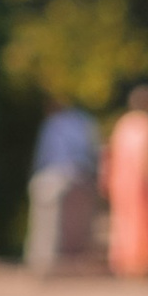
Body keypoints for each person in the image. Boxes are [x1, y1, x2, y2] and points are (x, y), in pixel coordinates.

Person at [24, 100, 101, 270]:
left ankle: (44, 262)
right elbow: (93, 153)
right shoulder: (85, 122)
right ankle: (69, 263)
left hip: (52, 176)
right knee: (76, 226)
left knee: (46, 222)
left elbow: (43, 154)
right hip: (81, 177)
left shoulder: (53, 124)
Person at [103, 83, 148, 279]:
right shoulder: (147, 125)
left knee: (123, 223)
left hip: (121, 183)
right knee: (144, 224)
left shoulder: (122, 124)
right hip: (142, 184)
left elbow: (111, 156)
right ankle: (142, 264)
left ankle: (126, 263)